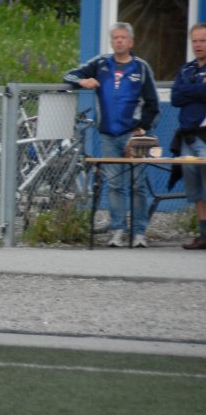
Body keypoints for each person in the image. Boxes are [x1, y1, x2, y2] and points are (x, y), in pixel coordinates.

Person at [63, 22, 160, 247]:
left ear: (131, 42)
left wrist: (141, 130)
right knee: (115, 185)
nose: (119, 41)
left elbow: (153, 104)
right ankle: (118, 231)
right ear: (111, 41)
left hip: (134, 135)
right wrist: (83, 81)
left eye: (123, 37)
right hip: (108, 135)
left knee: (137, 184)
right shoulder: (100, 64)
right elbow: (69, 75)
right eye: (115, 37)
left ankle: (139, 233)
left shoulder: (141, 67)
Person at [170, 23, 206, 250]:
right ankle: (204, 235)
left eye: (202, 40)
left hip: (204, 136)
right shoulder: (186, 70)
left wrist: (188, 91)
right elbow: (175, 98)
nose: (198, 45)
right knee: (195, 190)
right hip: (187, 137)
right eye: (195, 41)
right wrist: (198, 90)